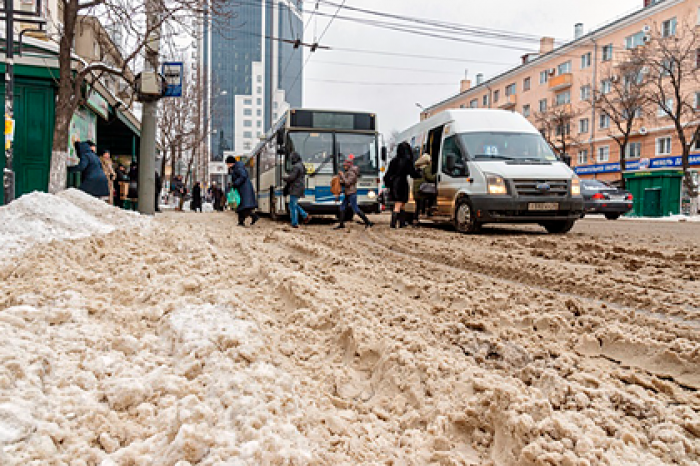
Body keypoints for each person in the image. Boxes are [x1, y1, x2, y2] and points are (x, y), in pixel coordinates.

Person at [385, 142, 420, 228]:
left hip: (394, 184)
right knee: (399, 203)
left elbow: (388, 174)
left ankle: (401, 223)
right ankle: (394, 223)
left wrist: (389, 184)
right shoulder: (407, 161)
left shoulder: (393, 161)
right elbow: (412, 174)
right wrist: (419, 174)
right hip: (402, 183)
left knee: (401, 204)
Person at [334, 154, 373, 229]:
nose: (344, 167)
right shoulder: (349, 172)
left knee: (355, 208)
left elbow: (348, 183)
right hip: (348, 193)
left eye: (345, 166)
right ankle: (341, 224)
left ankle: (368, 222)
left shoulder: (351, 172)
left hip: (351, 193)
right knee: (342, 207)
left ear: (348, 166)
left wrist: (342, 176)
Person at [226, 155, 259, 226]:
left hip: (244, 189)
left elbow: (243, 176)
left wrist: (235, 183)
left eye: (228, 164)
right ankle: (242, 221)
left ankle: (252, 217)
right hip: (242, 189)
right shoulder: (236, 167)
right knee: (241, 207)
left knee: (243, 207)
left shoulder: (238, 167)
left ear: (231, 163)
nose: (227, 165)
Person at [283, 151, 310, 228]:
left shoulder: (296, 167)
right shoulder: (301, 165)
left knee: (292, 206)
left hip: (295, 188)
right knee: (293, 204)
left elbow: (291, 178)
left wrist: (284, 178)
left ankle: (294, 223)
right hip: (299, 188)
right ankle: (305, 215)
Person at [412, 153, 437, 224]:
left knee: (417, 206)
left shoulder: (417, 167)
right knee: (433, 195)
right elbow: (430, 177)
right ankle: (429, 211)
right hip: (422, 190)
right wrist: (437, 175)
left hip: (416, 190)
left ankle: (415, 219)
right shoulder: (426, 167)